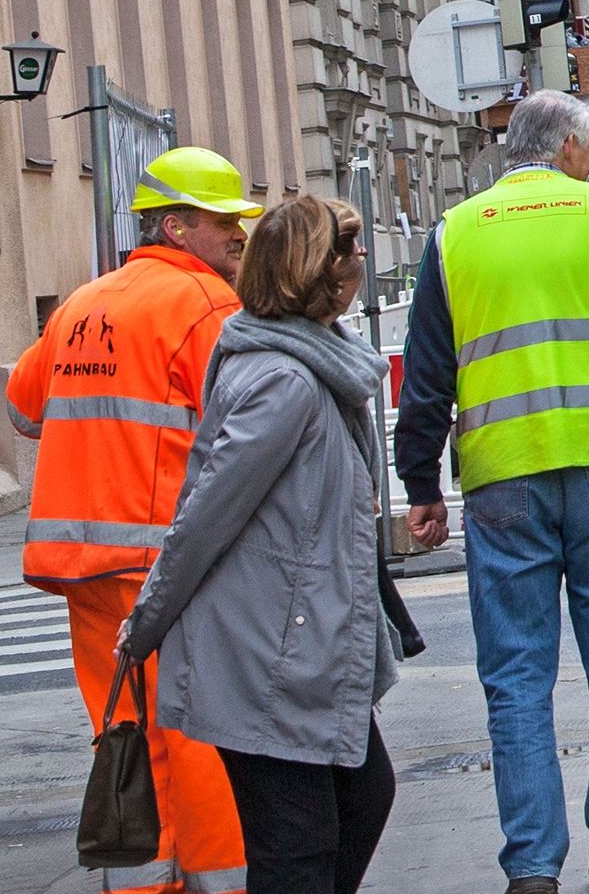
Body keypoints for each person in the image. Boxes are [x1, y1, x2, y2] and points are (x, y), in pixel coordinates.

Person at [393, 92, 589, 894]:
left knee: (518, 677)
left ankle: (532, 864)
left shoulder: (455, 234)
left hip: (503, 478)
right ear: (565, 145)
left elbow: (425, 372)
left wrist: (420, 480)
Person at [121, 197, 411, 894]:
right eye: (350, 249)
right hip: (266, 653)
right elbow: (203, 517)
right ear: (319, 272)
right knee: (299, 845)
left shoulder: (316, 363)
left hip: (295, 643)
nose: (362, 260)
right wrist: (145, 624)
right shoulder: (283, 380)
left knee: (358, 801)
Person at [6, 145, 264, 894]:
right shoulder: (207, 305)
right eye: (224, 222)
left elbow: (25, 409)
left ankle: (146, 882)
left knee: (123, 729)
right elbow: (248, 418)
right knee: (199, 731)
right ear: (177, 226)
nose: (237, 236)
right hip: (168, 565)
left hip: (82, 562)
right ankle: (226, 881)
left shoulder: (81, 305)